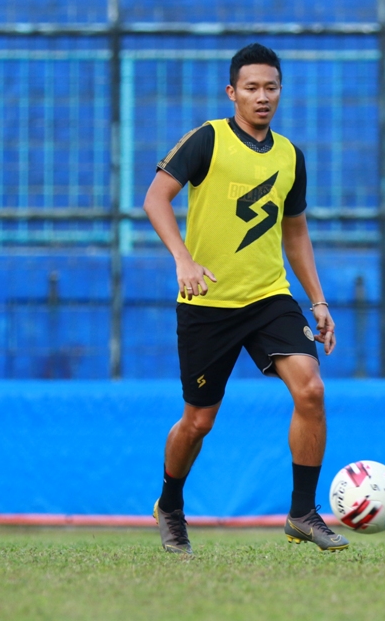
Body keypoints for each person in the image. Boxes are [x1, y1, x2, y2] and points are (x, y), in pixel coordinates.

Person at [143, 43, 348, 554]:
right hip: (208, 303)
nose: (262, 97)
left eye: (271, 88)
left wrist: (318, 301)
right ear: (232, 92)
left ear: (281, 92)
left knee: (311, 390)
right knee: (198, 421)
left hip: (268, 299)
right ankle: (170, 505)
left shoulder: (290, 155)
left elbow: (295, 233)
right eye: (252, 88)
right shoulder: (207, 139)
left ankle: (303, 512)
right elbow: (155, 199)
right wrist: (182, 259)